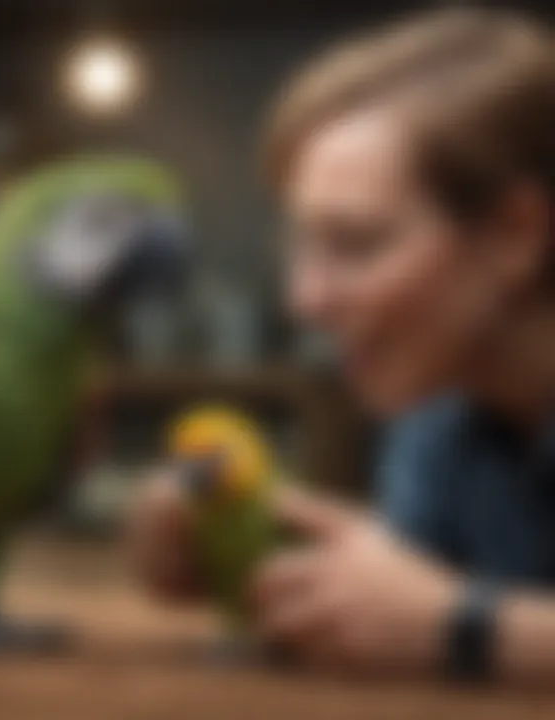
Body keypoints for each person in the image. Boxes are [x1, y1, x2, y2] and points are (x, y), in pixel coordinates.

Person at [129, 8, 555, 682]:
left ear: (515, 235)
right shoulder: (439, 429)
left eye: (355, 245)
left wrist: (469, 629)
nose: (304, 300)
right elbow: (405, 600)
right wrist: (245, 558)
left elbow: (441, 615)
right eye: (298, 244)